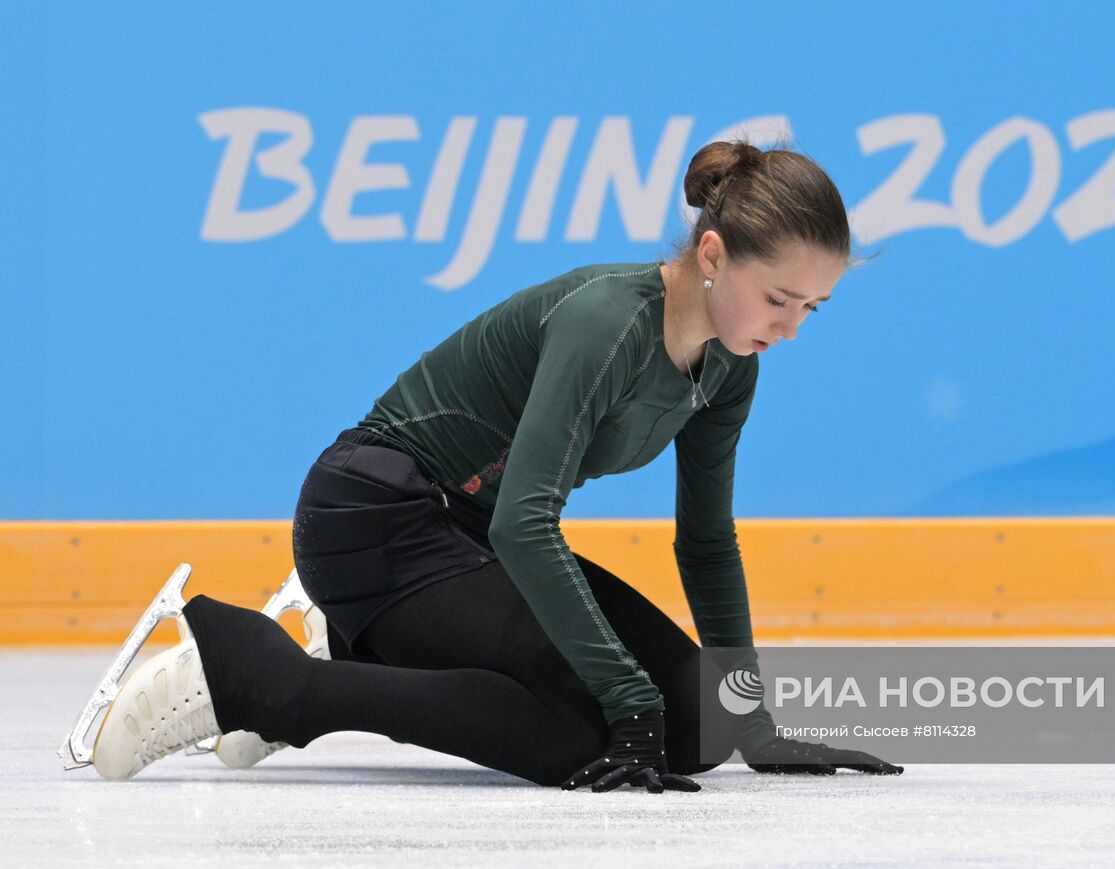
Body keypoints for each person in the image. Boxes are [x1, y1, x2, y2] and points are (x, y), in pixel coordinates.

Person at [83, 139, 904, 792]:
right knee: (579, 740)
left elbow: (706, 541)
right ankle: (258, 674)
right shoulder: (607, 324)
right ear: (716, 254)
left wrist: (752, 722)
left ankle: (358, 648)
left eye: (812, 308)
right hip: (373, 520)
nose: (791, 328)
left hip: (468, 541)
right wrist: (624, 697)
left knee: (698, 723)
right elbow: (526, 519)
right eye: (779, 299)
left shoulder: (731, 364)